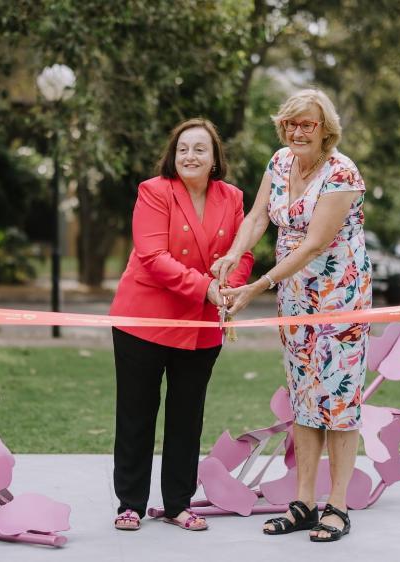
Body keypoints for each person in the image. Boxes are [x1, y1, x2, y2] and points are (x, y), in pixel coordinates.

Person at [212, 89, 370, 542]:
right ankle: (303, 503)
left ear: (325, 130)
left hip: (339, 300)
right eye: (290, 124)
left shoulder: (341, 173)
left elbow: (315, 243)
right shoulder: (280, 162)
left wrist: (258, 285)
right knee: (304, 396)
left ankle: (337, 506)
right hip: (295, 298)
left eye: (307, 124)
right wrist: (234, 254)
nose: (297, 132)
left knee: (338, 400)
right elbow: (257, 218)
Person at [109, 118, 254, 532]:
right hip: (144, 321)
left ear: (214, 159)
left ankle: (177, 504)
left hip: (202, 325)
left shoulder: (233, 197)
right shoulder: (154, 191)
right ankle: (130, 504)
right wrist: (208, 288)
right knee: (136, 414)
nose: (190, 156)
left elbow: (242, 253)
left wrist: (230, 288)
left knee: (188, 417)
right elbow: (153, 257)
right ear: (173, 156)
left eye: (199, 149)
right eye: (183, 149)